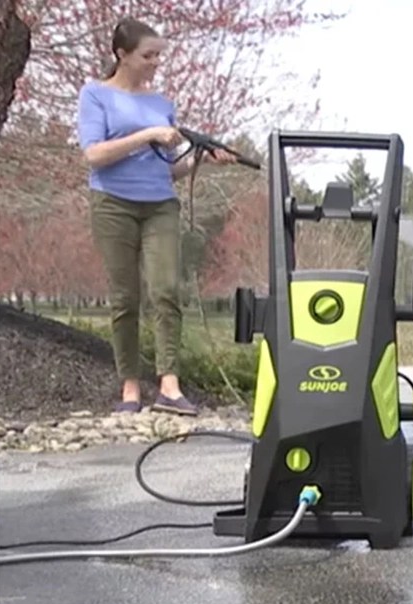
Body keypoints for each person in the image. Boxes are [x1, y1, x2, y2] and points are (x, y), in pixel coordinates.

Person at [76, 17, 237, 415]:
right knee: (125, 297)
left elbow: (166, 169)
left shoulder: (161, 104)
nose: (155, 63)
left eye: (158, 56)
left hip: (160, 203)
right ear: (122, 54)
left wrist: (202, 160)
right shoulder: (95, 95)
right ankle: (130, 389)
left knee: (166, 290)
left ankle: (169, 385)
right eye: (148, 56)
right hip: (113, 203)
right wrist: (146, 135)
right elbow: (94, 155)